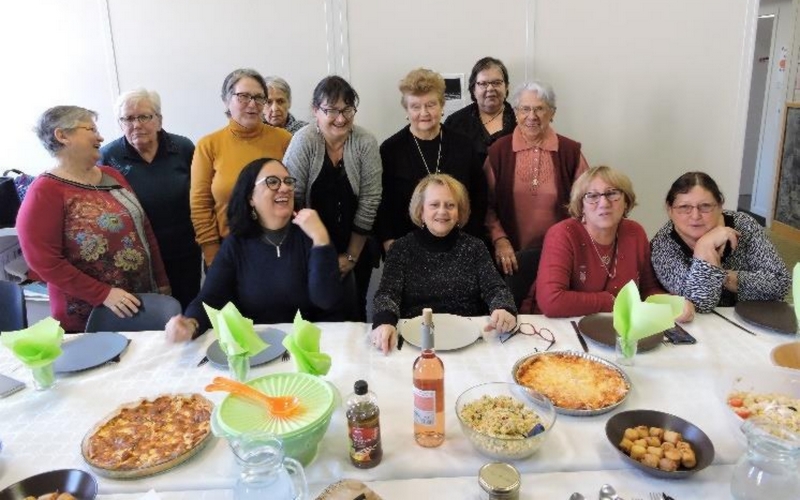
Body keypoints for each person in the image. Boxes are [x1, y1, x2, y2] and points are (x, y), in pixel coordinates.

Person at [17, 106, 170, 332]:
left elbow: (143, 229)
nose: (100, 136)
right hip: (88, 314)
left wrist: (162, 282)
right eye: (91, 129)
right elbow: (44, 261)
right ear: (62, 136)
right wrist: (103, 294)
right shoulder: (45, 190)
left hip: (139, 301)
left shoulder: (112, 175)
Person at [165, 158, 342, 342]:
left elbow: (326, 300)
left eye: (288, 181)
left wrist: (321, 240)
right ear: (251, 197)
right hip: (258, 347)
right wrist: (190, 323)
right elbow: (210, 298)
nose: (285, 188)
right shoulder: (236, 243)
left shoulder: (310, 234)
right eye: (272, 182)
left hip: (308, 343)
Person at [370, 174, 517, 354]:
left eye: (450, 205)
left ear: (459, 212)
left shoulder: (475, 247)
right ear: (420, 211)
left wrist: (503, 309)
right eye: (434, 205)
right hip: (415, 342)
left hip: (467, 342)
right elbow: (387, 294)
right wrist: (384, 321)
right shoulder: (401, 248)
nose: (442, 211)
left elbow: (496, 289)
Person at [284, 75, 382, 322]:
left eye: (347, 109)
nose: (341, 118)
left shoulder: (365, 142)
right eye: (331, 110)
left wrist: (351, 256)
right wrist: (321, 252)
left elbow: (370, 200)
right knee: (313, 309)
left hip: (357, 245)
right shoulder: (304, 141)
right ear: (316, 111)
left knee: (355, 309)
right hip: (310, 248)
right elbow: (290, 199)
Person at [522, 166, 679, 319]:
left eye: (612, 194)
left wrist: (673, 304)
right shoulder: (563, 234)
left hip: (612, 327)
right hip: (555, 329)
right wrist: (610, 301)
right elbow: (552, 302)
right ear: (580, 205)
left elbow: (648, 289)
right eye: (592, 196)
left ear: (626, 202)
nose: (604, 203)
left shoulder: (634, 232)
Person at [99, 88, 200, 310]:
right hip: (136, 257)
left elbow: (201, 194)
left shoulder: (183, 148)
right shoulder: (108, 156)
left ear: (159, 119)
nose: (137, 124)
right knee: (148, 316)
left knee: (188, 310)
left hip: (184, 249)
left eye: (144, 116)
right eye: (128, 118)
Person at [486, 80, 590, 276]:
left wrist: (573, 244)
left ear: (552, 113)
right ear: (516, 112)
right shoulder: (499, 151)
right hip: (510, 257)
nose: (531, 116)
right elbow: (486, 205)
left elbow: (587, 202)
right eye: (525, 109)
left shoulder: (570, 152)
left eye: (539, 109)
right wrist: (499, 239)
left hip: (561, 254)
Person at [191, 68, 292, 267]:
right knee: (229, 300)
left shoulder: (285, 140)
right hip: (226, 249)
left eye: (259, 97)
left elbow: (296, 195)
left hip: (278, 247)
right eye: (243, 97)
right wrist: (211, 253)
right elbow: (200, 204)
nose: (253, 104)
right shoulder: (209, 145)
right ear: (227, 101)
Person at [377, 68, 487, 251]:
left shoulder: (464, 146)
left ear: (442, 105)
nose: (424, 113)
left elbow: (479, 195)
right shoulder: (390, 150)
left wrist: (470, 241)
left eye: (430, 105)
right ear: (406, 109)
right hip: (407, 247)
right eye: (416, 106)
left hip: (459, 245)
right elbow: (382, 202)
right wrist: (389, 241)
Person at [651, 171, 790, 315]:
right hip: (703, 328)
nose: (695, 216)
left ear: (719, 206)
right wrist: (704, 247)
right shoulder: (663, 245)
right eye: (684, 207)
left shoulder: (744, 225)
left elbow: (780, 283)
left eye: (705, 206)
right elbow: (699, 305)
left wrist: (724, 277)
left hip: (756, 317)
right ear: (670, 209)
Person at [444, 57, 516, 160]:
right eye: (483, 83)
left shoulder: (521, 120)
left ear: (506, 87)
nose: (490, 88)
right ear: (473, 89)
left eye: (497, 82)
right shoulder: (455, 123)